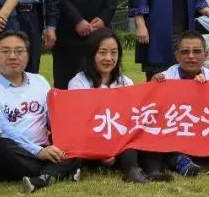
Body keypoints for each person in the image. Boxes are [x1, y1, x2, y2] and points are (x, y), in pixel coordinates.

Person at [0, 31, 81, 193]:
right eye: (5, 51)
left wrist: (68, 135)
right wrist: (37, 151)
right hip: (11, 152)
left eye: (19, 51)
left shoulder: (39, 81)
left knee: (75, 140)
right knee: (1, 144)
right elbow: (2, 128)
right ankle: (59, 170)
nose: (13, 56)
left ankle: (43, 178)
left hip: (43, 147)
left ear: (28, 55)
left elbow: (52, 119)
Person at [68, 29, 170, 183]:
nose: (108, 58)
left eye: (114, 53)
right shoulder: (78, 83)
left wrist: (154, 87)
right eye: (102, 53)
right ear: (91, 54)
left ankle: (153, 171)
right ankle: (131, 171)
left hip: (122, 137)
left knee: (143, 130)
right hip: (95, 139)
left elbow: (135, 114)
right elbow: (80, 122)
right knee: (125, 139)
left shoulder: (125, 81)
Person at [150, 31, 209, 178]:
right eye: (185, 52)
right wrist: (154, 86)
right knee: (165, 144)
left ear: (206, 55)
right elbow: (155, 111)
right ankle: (184, 163)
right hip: (177, 132)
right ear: (177, 56)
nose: (191, 56)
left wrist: (202, 92)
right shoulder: (165, 78)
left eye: (196, 51)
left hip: (205, 131)